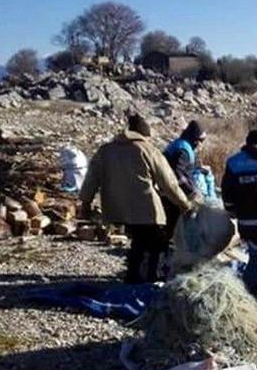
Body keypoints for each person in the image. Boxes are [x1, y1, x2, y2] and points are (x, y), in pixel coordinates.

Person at [80, 114, 193, 283]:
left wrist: (86, 203)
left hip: (117, 207)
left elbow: (91, 178)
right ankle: (150, 278)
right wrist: (185, 204)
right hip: (145, 207)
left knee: (138, 241)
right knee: (157, 242)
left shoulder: (105, 150)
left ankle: (133, 275)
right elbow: (169, 183)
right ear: (144, 134)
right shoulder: (147, 150)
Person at [221, 129, 257, 298]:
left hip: (246, 220)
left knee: (256, 254)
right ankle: (248, 291)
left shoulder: (234, 162)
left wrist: (230, 209)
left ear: (247, 143)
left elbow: (227, 190)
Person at [162, 119, 214, 240]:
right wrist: (191, 191)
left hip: (174, 189)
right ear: (194, 138)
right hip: (172, 191)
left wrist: (200, 169)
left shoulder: (185, 145)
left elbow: (189, 167)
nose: (201, 144)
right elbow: (177, 173)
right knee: (175, 219)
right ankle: (166, 249)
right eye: (201, 140)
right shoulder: (183, 150)